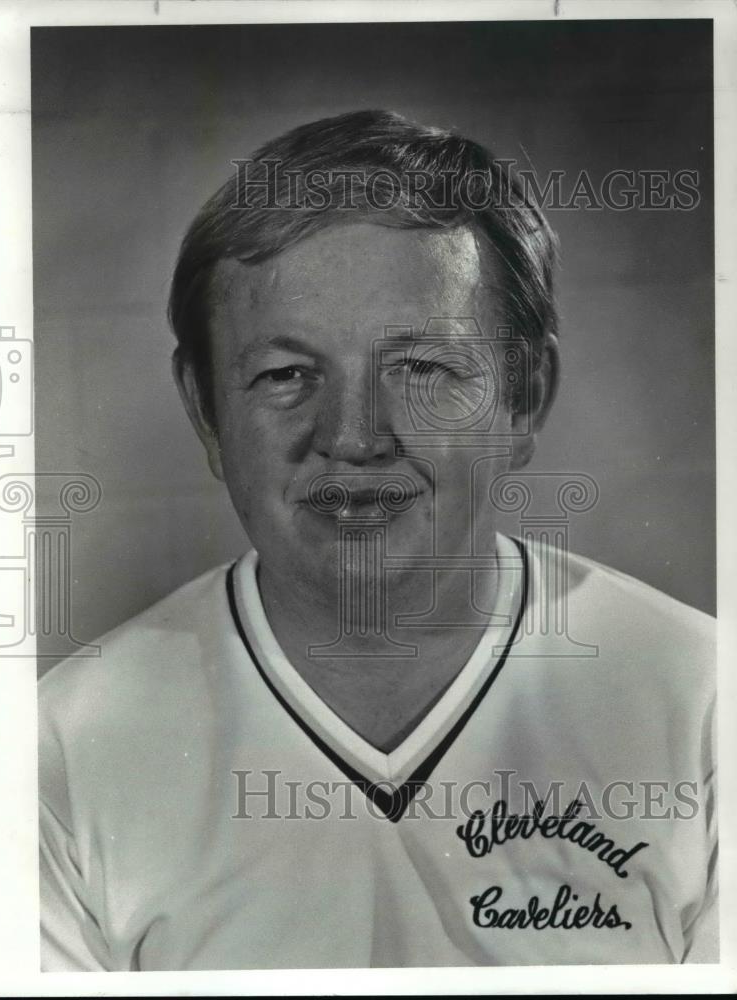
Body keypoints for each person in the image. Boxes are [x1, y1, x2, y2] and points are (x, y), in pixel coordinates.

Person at [39, 110, 717, 970]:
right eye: (285, 375)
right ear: (206, 409)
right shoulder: (56, 751)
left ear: (527, 393)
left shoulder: (704, 705)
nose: (353, 437)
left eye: (424, 369)